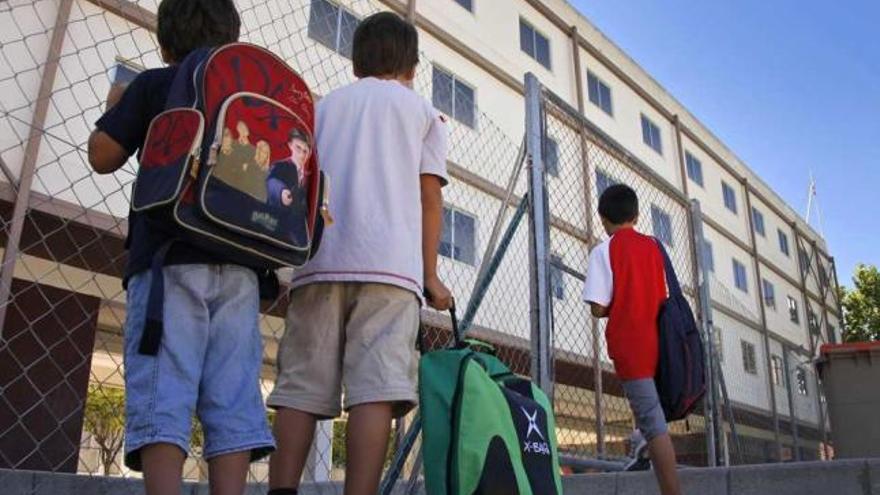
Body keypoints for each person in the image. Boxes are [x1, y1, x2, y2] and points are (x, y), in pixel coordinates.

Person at [86, 1, 274, 494]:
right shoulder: (250, 103)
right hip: (241, 269)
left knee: (164, 391)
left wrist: (116, 105)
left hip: (168, 264)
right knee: (233, 398)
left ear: (164, 42)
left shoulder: (154, 85)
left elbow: (103, 155)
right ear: (233, 40)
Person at [266, 12, 452, 495]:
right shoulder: (422, 113)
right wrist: (430, 275)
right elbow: (429, 198)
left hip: (318, 259)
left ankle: (281, 488)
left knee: (302, 385)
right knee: (375, 388)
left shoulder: (322, 108)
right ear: (411, 67)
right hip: (391, 268)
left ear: (355, 62)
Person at [582, 184, 681, 495]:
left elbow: (597, 307)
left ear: (602, 219)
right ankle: (641, 450)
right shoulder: (654, 247)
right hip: (661, 340)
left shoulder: (604, 251)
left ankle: (671, 491)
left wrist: (618, 301)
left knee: (653, 422)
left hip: (630, 344)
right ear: (637, 216)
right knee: (650, 413)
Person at [266, 128, 310, 243]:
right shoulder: (281, 165)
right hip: (276, 229)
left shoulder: (308, 175)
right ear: (290, 145)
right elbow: (272, 182)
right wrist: (281, 192)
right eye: (298, 148)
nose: (301, 154)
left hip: (298, 238)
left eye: (305, 151)